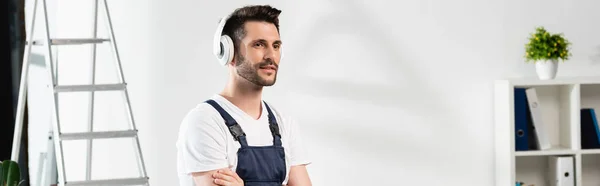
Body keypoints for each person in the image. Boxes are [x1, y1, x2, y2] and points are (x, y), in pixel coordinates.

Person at [176, 5, 312, 186]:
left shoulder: (283, 124)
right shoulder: (205, 122)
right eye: (259, 44)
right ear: (228, 52)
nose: (271, 55)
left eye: (276, 46)